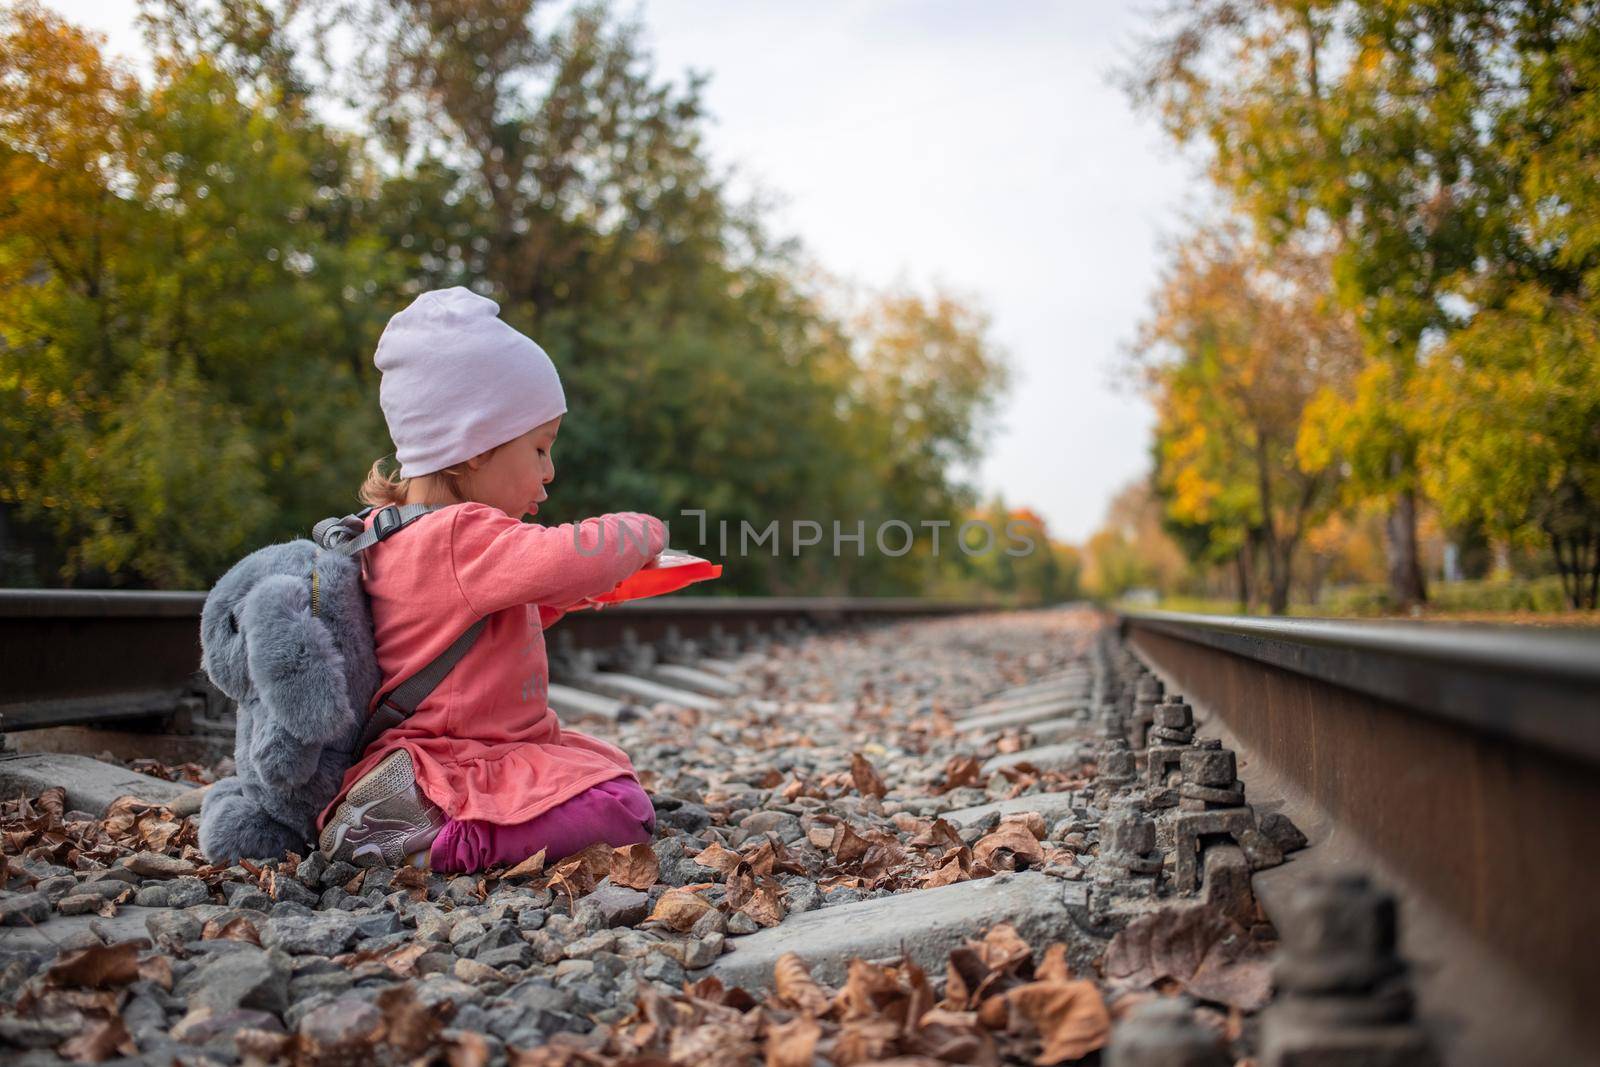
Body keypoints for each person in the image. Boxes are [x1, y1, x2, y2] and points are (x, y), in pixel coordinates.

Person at [316, 286, 665, 872]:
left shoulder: (393, 530)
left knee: (607, 766)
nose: (549, 473)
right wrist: (644, 530)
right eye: (539, 448)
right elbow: (569, 554)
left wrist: (563, 601)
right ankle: (440, 843)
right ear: (476, 445)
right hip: (459, 758)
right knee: (623, 806)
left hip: (455, 750)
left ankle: (411, 818)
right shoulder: (460, 534)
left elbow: (456, 624)